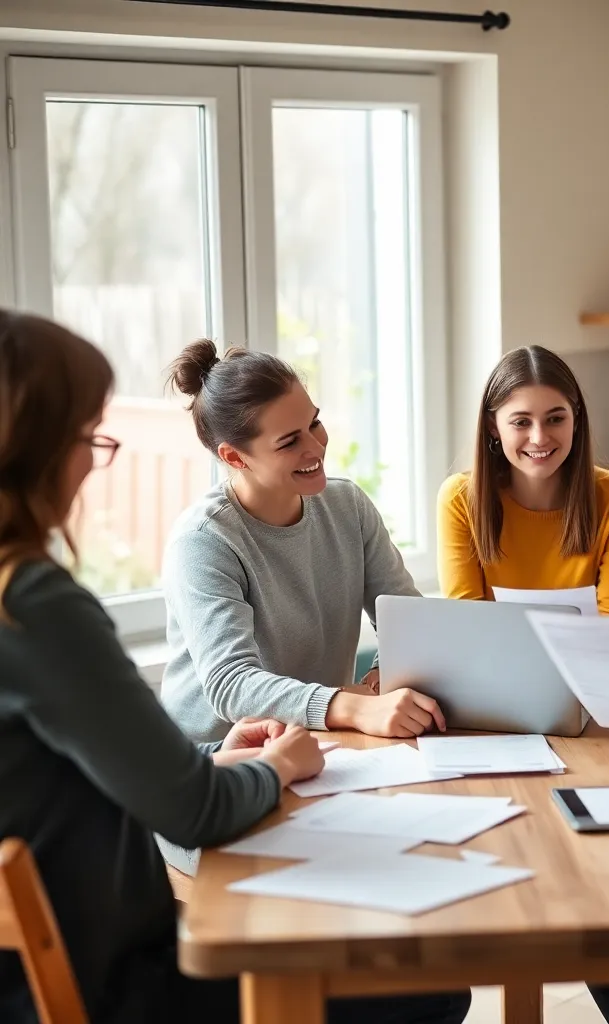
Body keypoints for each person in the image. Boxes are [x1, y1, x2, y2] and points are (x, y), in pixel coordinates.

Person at [0, 310, 471, 1024]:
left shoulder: (344, 506)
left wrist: (236, 766)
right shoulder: (36, 606)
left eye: (315, 424)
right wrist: (280, 763)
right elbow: (195, 801)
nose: (89, 462)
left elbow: (80, 788)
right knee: (431, 986)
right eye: (84, 438)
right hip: (121, 971)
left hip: (81, 940)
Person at [161, 340, 445, 744]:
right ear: (235, 457)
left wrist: (388, 673)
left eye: (314, 423)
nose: (316, 446)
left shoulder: (349, 506)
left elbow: (406, 617)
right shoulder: (202, 543)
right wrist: (352, 706)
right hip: (220, 759)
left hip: (321, 740)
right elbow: (231, 684)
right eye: (289, 441)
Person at [437, 345, 609, 615]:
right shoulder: (459, 499)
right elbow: (466, 623)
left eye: (555, 419)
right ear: (493, 426)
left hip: (589, 658)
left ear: (576, 419)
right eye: (521, 422)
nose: (539, 437)